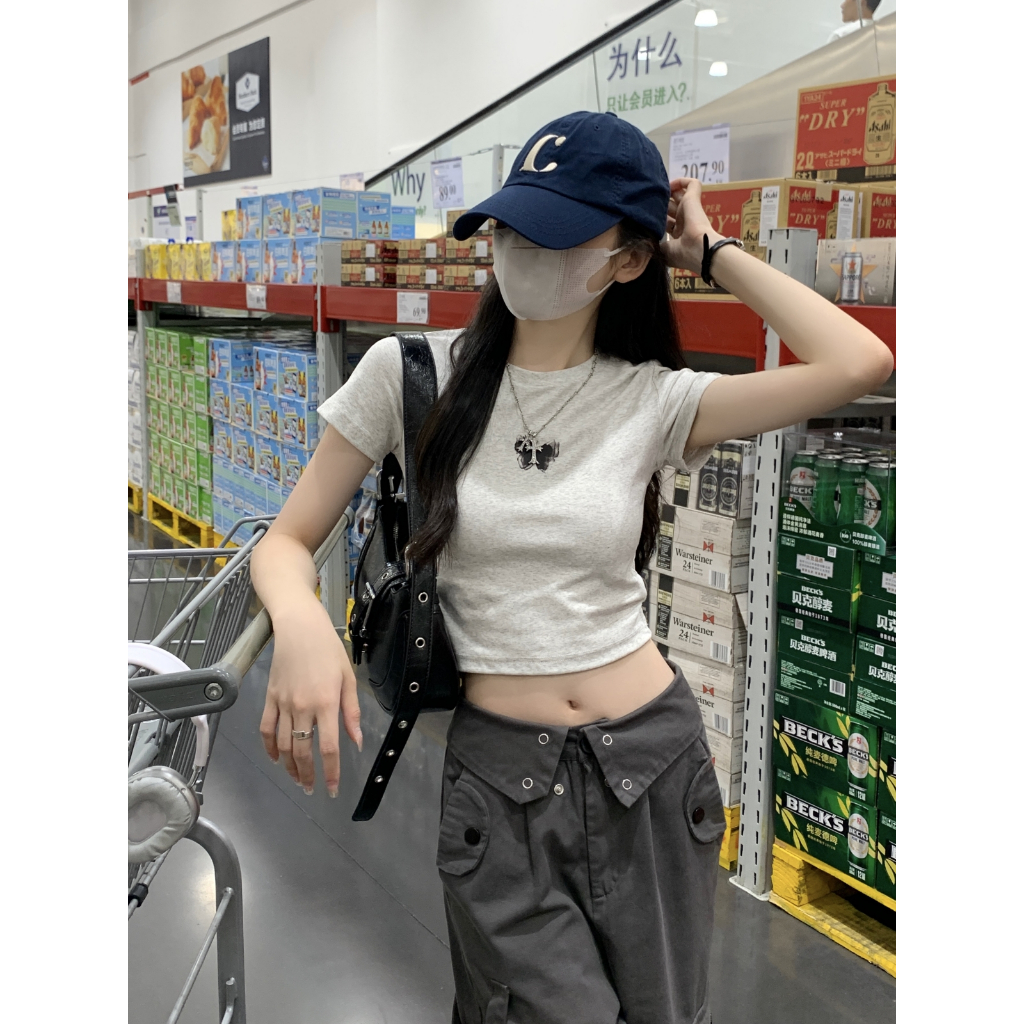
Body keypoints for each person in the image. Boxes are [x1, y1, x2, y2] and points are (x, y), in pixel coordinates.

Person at [250, 111, 893, 1024]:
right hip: (501, 781)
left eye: (555, 236)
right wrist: (302, 623)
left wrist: (710, 254)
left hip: (654, 765)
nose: (520, 252)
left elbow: (860, 361)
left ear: (627, 261)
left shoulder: (655, 398)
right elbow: (284, 541)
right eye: (510, 227)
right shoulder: (412, 374)